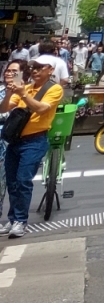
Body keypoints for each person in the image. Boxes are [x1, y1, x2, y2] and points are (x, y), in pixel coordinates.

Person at [4, 60, 63, 237]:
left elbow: (41, 109)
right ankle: (13, 219)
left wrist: (23, 94)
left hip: (35, 141)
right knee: (12, 182)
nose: (35, 71)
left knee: (23, 181)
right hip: (15, 140)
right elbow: (4, 108)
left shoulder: (54, 89)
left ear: (50, 70)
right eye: (33, 68)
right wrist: (9, 93)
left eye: (39, 68)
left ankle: (20, 221)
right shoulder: (27, 87)